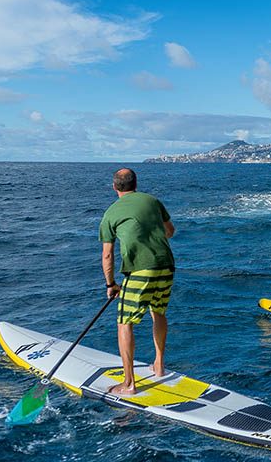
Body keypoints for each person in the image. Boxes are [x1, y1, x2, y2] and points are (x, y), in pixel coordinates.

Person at [99, 168, 176, 395]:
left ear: (114, 187)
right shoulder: (153, 201)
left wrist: (111, 284)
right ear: (136, 184)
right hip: (166, 265)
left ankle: (129, 384)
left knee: (125, 322)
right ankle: (159, 365)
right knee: (158, 312)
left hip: (139, 271)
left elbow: (107, 255)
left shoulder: (110, 214)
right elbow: (170, 231)